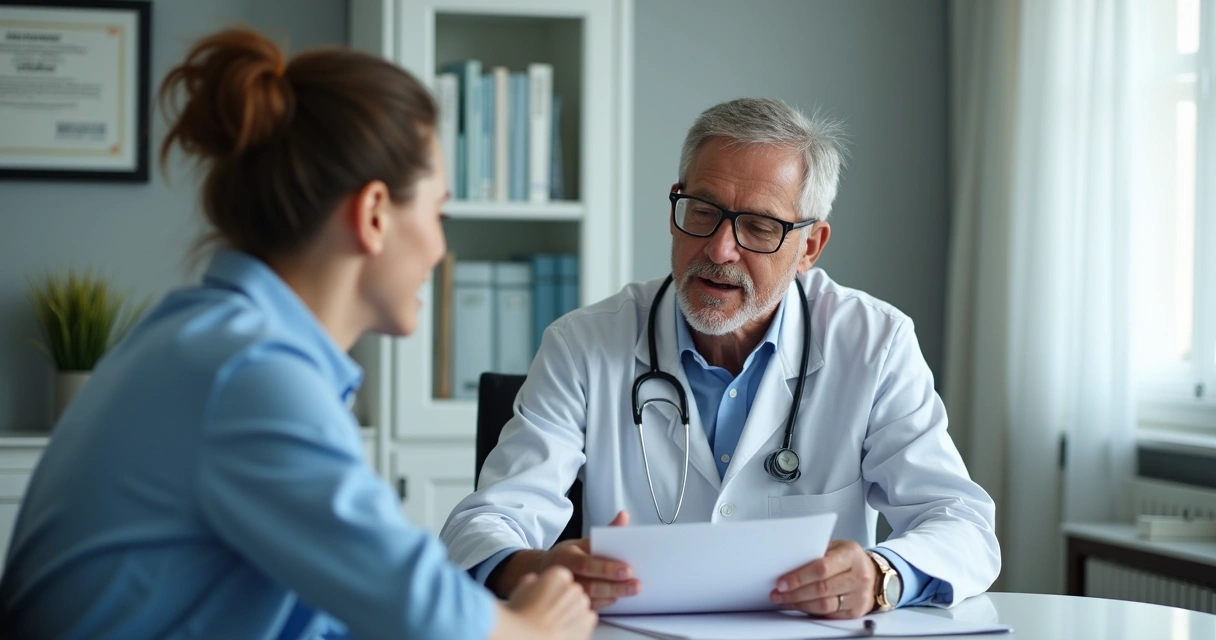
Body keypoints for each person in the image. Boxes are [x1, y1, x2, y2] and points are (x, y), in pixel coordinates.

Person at [0, 28, 595, 640]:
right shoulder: (250, 373)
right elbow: (419, 610)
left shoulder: (212, 339)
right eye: (437, 213)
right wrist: (532, 624)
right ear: (372, 216)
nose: (441, 249)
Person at [440, 98, 1001, 619]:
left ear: (809, 246)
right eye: (702, 212)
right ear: (674, 209)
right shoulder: (583, 344)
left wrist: (882, 575)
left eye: (759, 226)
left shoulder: (874, 343)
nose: (718, 248)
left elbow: (963, 525)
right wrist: (540, 568)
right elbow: (483, 524)